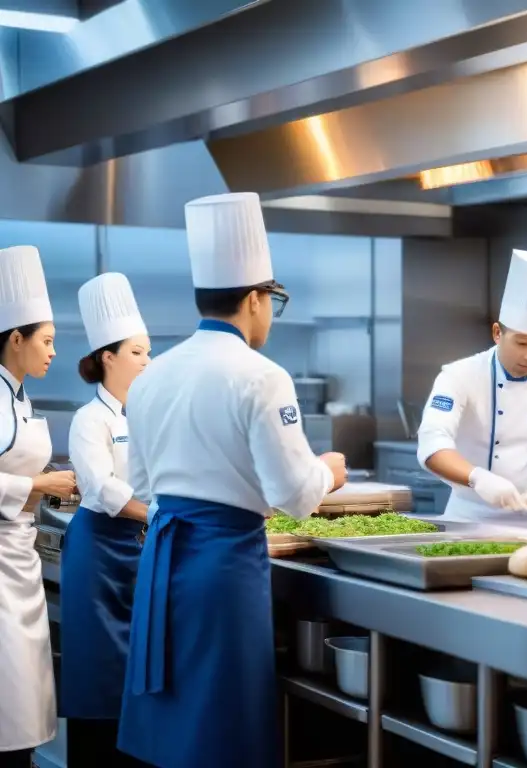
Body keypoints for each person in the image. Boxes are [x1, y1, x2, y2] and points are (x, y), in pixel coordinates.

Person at [117, 192, 348, 768]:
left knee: (172, 720)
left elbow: (143, 484)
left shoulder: (152, 376)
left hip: (163, 562)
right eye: (273, 300)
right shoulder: (262, 377)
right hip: (223, 568)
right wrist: (329, 471)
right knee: (223, 728)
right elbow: (294, 497)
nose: (271, 311)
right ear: (254, 299)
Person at [417, 248, 527, 526]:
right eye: (521, 343)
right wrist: (478, 478)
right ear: (498, 333)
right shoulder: (458, 376)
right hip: (465, 520)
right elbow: (432, 444)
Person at [61, 272, 151, 767]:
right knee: (98, 672)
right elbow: (101, 489)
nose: (147, 361)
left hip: (141, 547)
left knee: (137, 673)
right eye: (137, 352)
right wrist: (159, 514)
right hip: (98, 554)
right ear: (108, 358)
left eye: (148, 351)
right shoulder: (88, 419)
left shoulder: (146, 413)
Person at [0, 245, 76, 768]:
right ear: (15, 339)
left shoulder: (20, 396)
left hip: (20, 560)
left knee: (23, 707)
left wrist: (43, 487)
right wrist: (41, 484)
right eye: (46, 341)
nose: (53, 352)